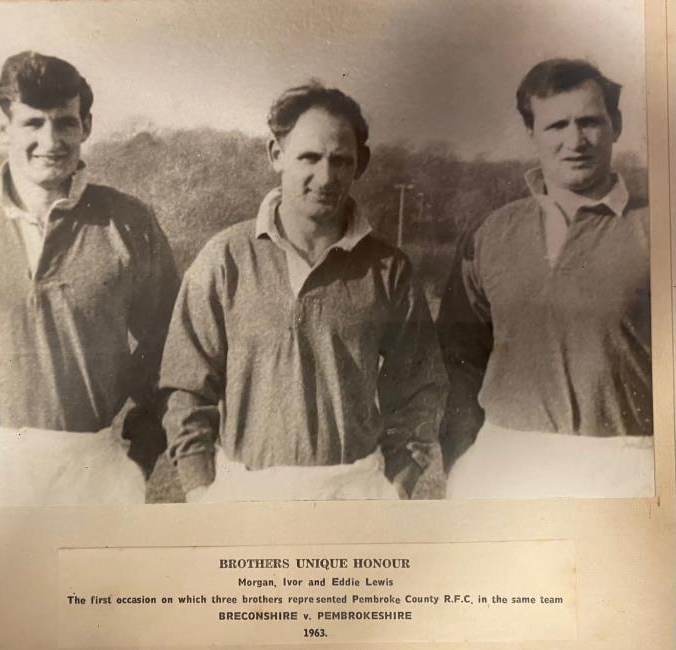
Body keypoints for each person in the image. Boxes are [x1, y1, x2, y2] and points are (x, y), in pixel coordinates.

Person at [160, 82, 440, 502]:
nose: (326, 177)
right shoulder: (224, 258)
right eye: (309, 157)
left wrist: (395, 487)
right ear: (276, 154)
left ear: (359, 165)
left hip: (355, 491)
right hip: (244, 492)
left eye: (340, 160)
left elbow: (422, 387)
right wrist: (201, 491)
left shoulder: (388, 268)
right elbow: (186, 388)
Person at [0, 51, 179, 505]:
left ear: (86, 125)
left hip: (93, 471)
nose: (51, 140)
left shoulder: (129, 222)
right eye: (32, 123)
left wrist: (139, 456)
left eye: (65, 123)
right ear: (3, 127)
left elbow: (171, 346)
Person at [437, 59, 653, 498]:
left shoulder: (658, 229)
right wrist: (462, 459)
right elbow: (456, 360)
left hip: (627, 471)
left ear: (616, 125)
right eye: (556, 126)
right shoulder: (490, 232)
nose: (575, 141)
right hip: (504, 467)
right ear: (532, 133)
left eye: (590, 122)